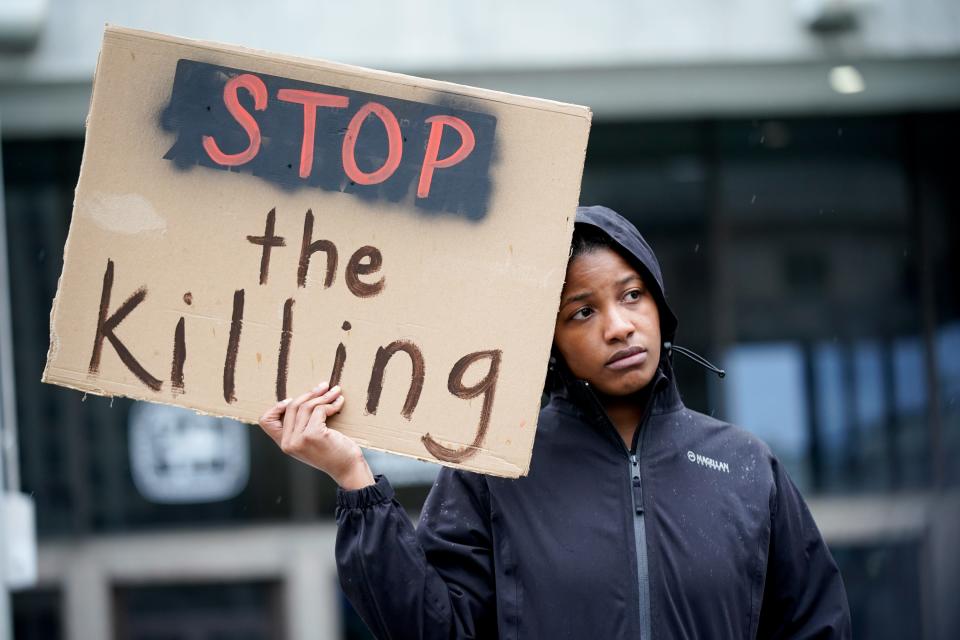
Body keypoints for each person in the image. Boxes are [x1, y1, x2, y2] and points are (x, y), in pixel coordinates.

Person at [258, 205, 852, 639]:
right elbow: (432, 631)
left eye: (632, 295)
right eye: (582, 312)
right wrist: (355, 481)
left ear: (659, 306)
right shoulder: (496, 466)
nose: (617, 326)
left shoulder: (746, 465)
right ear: (551, 341)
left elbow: (815, 628)